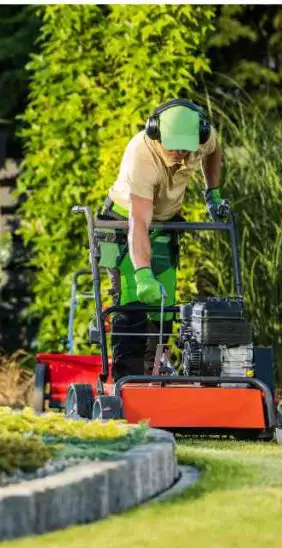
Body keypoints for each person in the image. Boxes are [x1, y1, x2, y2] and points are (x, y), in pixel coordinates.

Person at [99, 98, 227, 380]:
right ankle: (127, 385)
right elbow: (139, 222)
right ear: (156, 133)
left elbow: (214, 150)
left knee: (164, 311)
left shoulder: (203, 139)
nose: (181, 154)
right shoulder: (141, 156)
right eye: (174, 146)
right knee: (132, 306)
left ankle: (156, 379)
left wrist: (212, 193)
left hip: (165, 226)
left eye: (186, 147)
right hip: (124, 226)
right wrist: (143, 273)